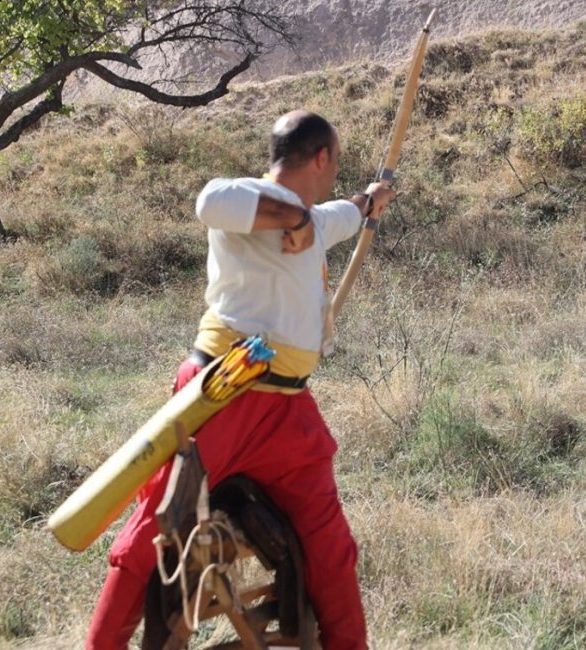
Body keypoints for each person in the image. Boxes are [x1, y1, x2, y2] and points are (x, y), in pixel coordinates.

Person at [86, 110, 396, 650]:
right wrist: (295, 220)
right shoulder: (243, 197)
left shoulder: (318, 220)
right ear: (320, 157)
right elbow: (210, 203)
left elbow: (345, 213)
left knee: (331, 546)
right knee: (155, 535)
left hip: (289, 412)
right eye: (335, 160)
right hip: (222, 396)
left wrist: (370, 200)